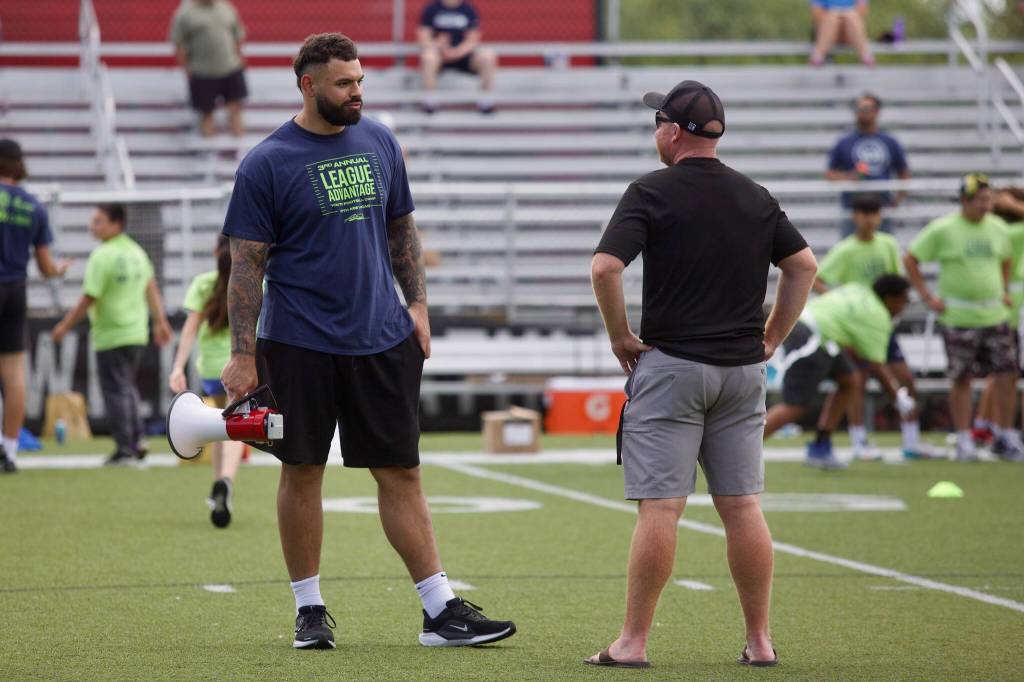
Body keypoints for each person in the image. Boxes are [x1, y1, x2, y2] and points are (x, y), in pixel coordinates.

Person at [218, 33, 516, 650]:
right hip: (298, 341)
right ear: (308, 85)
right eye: (344, 83)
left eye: (360, 81)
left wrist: (419, 306)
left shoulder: (380, 139)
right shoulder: (265, 162)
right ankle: (309, 611)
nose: (357, 92)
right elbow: (246, 265)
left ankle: (440, 611)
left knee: (401, 472)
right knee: (302, 472)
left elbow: (401, 227)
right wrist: (243, 354)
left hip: (382, 338)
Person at [589, 80, 817, 668]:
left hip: (673, 367)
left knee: (661, 508)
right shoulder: (755, 195)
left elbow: (605, 266)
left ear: (671, 130)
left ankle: (633, 642)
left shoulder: (650, 191)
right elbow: (803, 266)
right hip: (743, 370)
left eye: (657, 123)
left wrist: (619, 337)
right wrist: (771, 337)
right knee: (742, 506)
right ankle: (760, 641)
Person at [904, 173, 1024, 462]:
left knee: (1007, 373)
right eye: (980, 200)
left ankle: (1005, 435)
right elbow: (911, 258)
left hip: (995, 314)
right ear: (965, 201)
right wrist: (927, 296)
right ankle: (964, 438)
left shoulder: (998, 228)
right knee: (961, 378)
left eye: (988, 200)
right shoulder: (943, 229)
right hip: (958, 316)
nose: (986, 206)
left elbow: (1006, 257)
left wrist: (1004, 288)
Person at [813, 194, 941, 461]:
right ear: (854, 216)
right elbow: (817, 279)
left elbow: (897, 281)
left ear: (880, 217)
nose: (869, 219)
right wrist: (840, 302)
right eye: (864, 213)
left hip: (883, 325)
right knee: (855, 382)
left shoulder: (888, 244)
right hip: (857, 329)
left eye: (874, 213)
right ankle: (859, 441)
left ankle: (911, 440)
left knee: (905, 377)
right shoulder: (846, 250)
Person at [52, 204, 173, 466]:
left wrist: (64, 326)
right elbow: (151, 288)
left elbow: (88, 297)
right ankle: (137, 437)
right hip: (136, 332)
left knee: (115, 390)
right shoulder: (137, 252)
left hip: (110, 332)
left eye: (98, 221)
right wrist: (160, 322)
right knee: (127, 386)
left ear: (116, 224)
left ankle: (124, 447)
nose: (91, 226)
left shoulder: (102, 255)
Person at [766, 277, 918, 469]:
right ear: (890, 299)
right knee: (795, 405)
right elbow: (877, 366)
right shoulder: (878, 315)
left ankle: (821, 445)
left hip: (812, 329)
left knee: (849, 380)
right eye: (904, 299)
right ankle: (743, 448)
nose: (905, 306)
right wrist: (898, 398)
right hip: (813, 338)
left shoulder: (857, 287)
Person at [0, 139, 70, 473]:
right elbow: (46, 267)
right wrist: (60, 269)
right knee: (14, 376)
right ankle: (10, 450)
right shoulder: (34, 207)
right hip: (16, 290)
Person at [169, 235, 244, 528]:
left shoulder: (203, 283)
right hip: (238, 364)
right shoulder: (255, 282)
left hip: (211, 369)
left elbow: (188, 331)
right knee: (238, 427)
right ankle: (226, 480)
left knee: (215, 426)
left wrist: (177, 367)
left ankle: (217, 487)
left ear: (215, 251)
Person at [973, 186, 1024, 446]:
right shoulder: (1013, 233)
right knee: (1008, 373)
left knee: (1002, 374)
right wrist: (1012, 204)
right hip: (1015, 313)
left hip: (1005, 313)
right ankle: (1001, 430)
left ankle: (984, 424)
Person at [826, 93, 911, 237]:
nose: (861, 113)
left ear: (877, 111)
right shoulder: (844, 142)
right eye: (858, 109)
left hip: (882, 210)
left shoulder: (890, 142)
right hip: (852, 211)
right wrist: (848, 177)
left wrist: (896, 201)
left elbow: (904, 173)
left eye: (866, 108)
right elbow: (829, 174)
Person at [169, 0, 248, 138]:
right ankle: (209, 153)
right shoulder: (185, 14)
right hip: (202, 73)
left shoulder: (226, 8)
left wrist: (238, 58)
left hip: (231, 69)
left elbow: (238, 35)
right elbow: (179, 45)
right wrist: (188, 71)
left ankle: (240, 151)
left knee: (235, 110)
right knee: (206, 113)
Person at [417, 0, 498, 114]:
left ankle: (486, 101)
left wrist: (456, 52)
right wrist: (438, 45)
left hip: (463, 55)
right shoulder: (432, 8)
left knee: (488, 56)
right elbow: (424, 39)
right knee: (428, 57)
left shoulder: (468, 9)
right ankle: (430, 101)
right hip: (439, 56)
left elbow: (473, 40)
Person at [809, 0, 874, 66]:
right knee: (832, 16)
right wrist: (837, 16)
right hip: (828, 31)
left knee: (851, 15)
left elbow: (861, 14)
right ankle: (819, 55)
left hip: (850, 32)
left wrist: (843, 16)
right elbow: (817, 16)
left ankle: (864, 54)